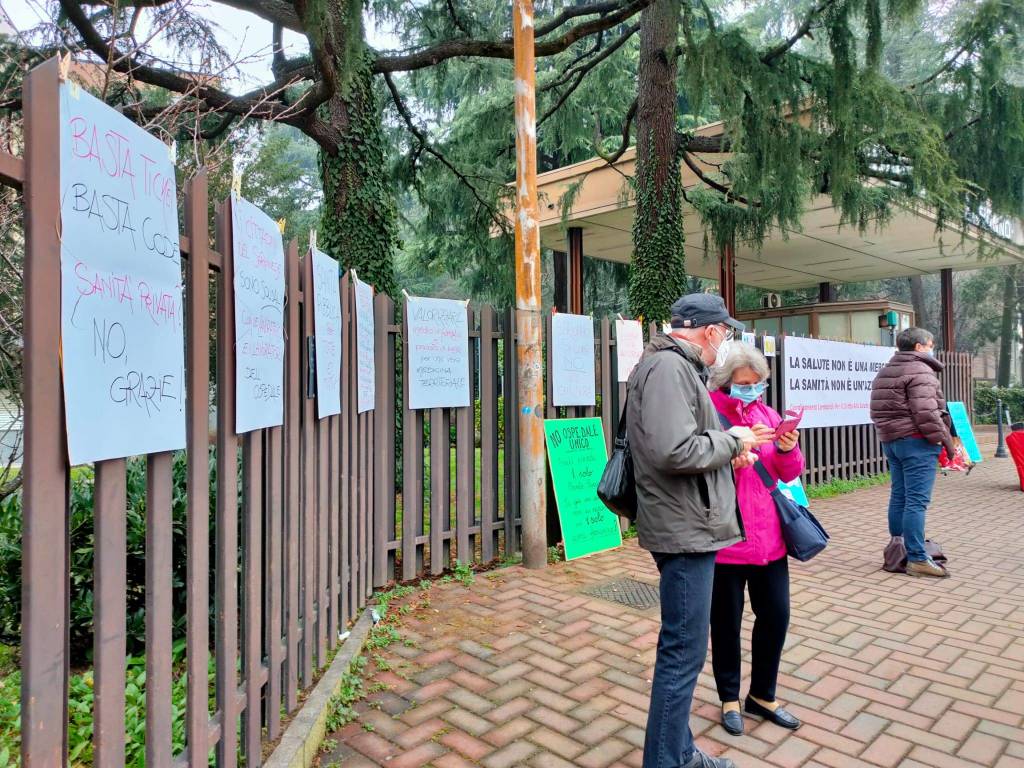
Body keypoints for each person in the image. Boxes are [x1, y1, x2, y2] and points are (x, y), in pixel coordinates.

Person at [627, 293, 772, 768]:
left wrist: (730, 451)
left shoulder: (672, 366)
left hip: (685, 519)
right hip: (684, 527)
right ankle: (670, 761)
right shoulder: (670, 368)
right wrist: (732, 440)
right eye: (725, 333)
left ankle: (678, 750)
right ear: (710, 331)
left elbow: (683, 445)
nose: (725, 342)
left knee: (683, 649)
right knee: (683, 652)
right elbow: (673, 450)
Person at [707, 344, 804, 737]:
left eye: (757, 383)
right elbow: (696, 466)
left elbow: (787, 472)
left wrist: (788, 447)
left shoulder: (768, 414)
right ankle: (729, 697)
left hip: (768, 537)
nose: (750, 390)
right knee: (725, 622)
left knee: (776, 616)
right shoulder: (709, 413)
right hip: (725, 537)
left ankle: (762, 694)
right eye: (743, 384)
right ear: (725, 383)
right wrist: (733, 453)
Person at [870, 327, 955, 578]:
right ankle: (917, 557)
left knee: (899, 496)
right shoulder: (921, 370)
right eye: (930, 344)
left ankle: (898, 548)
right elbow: (927, 412)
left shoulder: (885, 370)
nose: (932, 348)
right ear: (919, 347)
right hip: (917, 442)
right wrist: (947, 443)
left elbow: (878, 410)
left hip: (892, 441)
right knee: (916, 502)